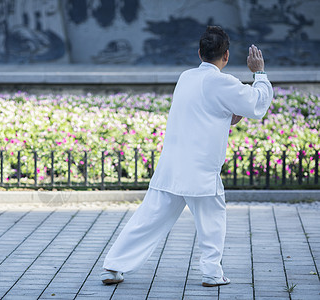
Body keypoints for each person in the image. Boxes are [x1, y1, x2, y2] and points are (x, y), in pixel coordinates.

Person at [101, 26, 273, 287]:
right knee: (212, 222)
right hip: (201, 168)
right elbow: (257, 105)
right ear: (226, 56)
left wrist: (228, 115)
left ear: (199, 52)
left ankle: (113, 266)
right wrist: (259, 73)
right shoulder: (223, 82)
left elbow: (205, 111)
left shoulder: (186, 77)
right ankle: (213, 273)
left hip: (172, 165)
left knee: (147, 219)